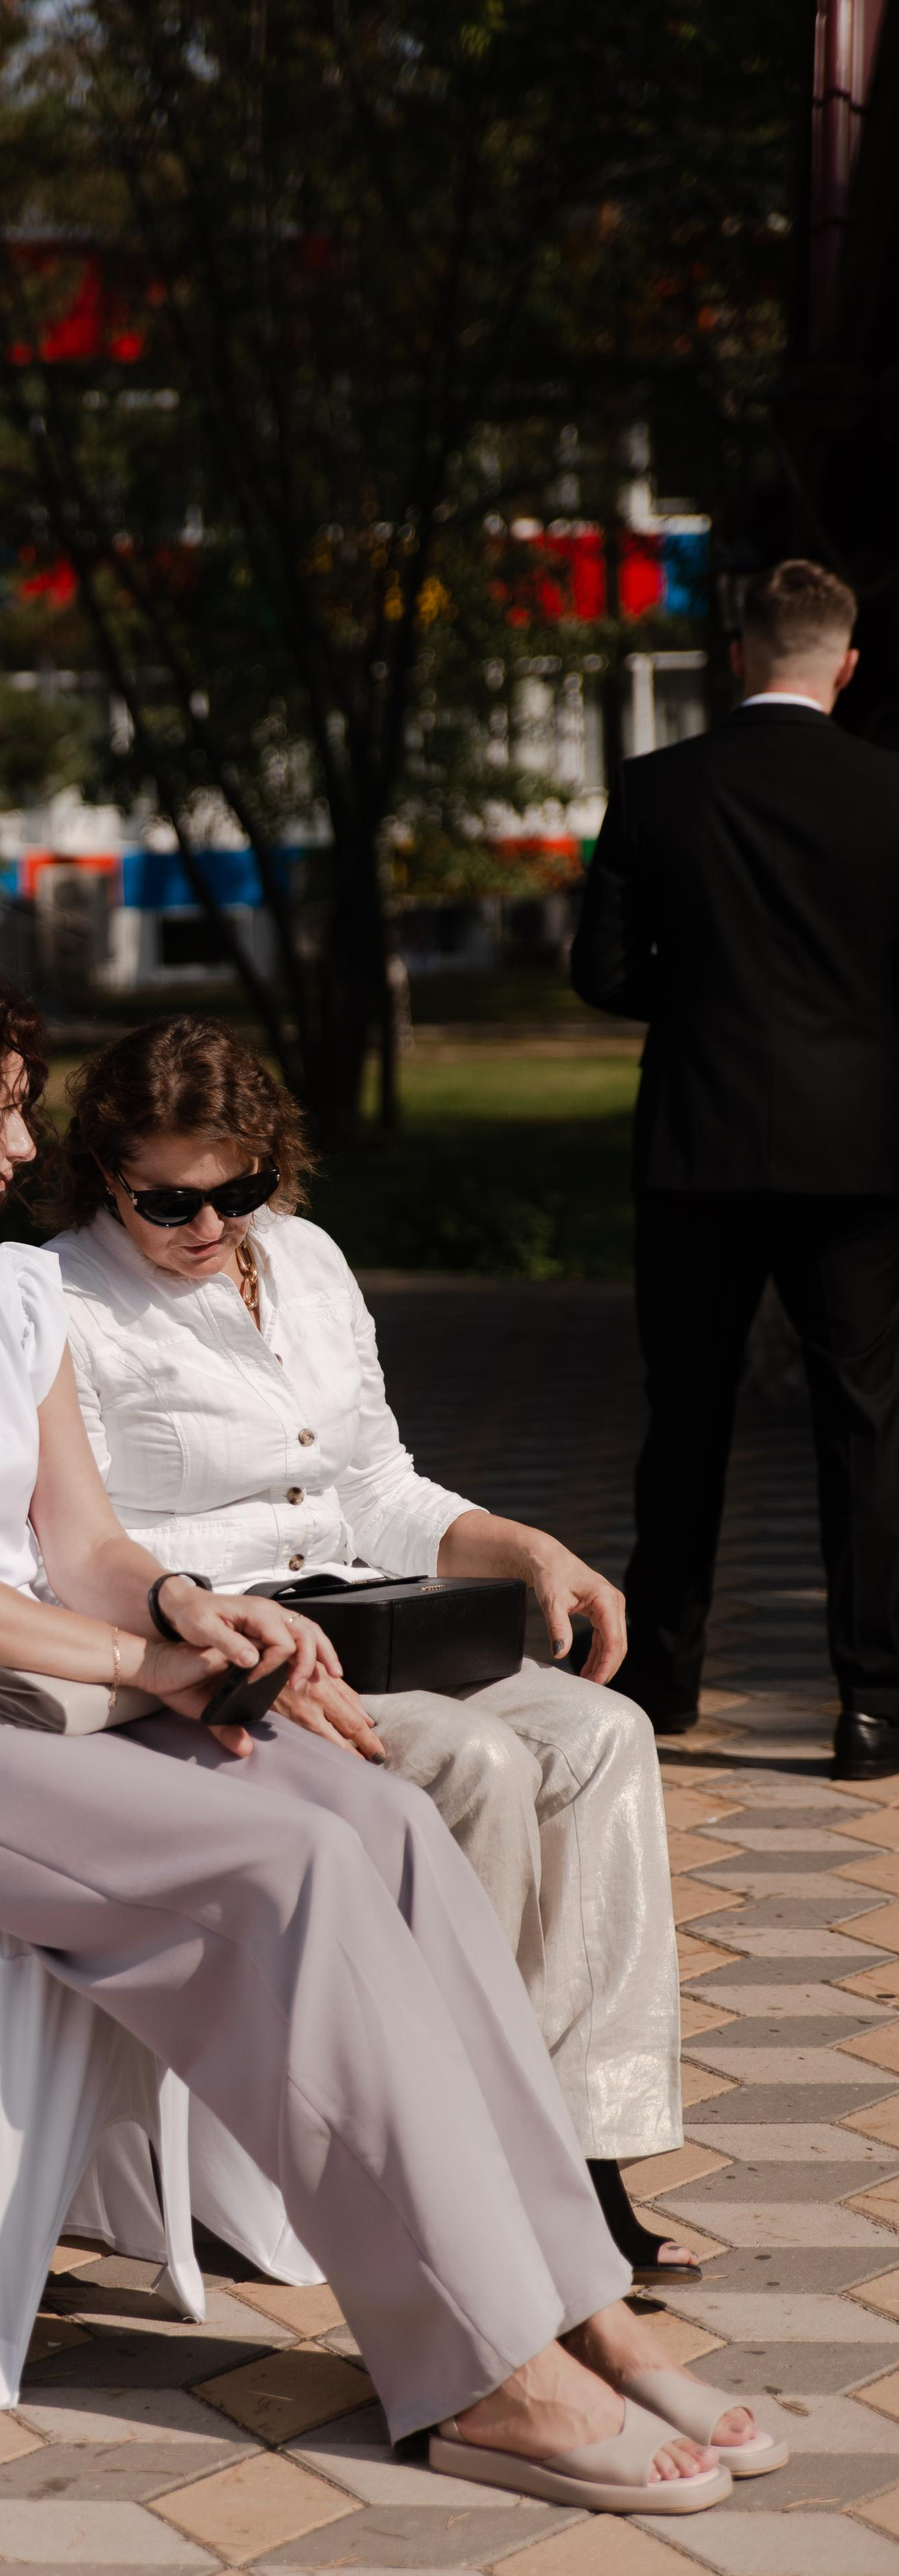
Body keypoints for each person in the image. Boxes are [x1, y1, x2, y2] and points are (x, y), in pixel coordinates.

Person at [0, 950, 778, 2511]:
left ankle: (581, 2307)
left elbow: (90, 1539)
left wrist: (189, 1611)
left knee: (376, 1819)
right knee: (289, 1869)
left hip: (46, 1694)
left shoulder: (8, 1288)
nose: (24, 1146)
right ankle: (480, 2372)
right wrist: (138, 1656)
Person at [46, 1014, 687, 2283]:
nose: (208, 1224)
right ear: (105, 1174)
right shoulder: (64, 1299)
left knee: (605, 1732)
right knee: (475, 1761)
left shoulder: (307, 1258)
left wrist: (518, 1543)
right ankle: (459, 2155)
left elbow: (375, 1482)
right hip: (228, 1646)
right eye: (167, 1201)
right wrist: (217, 1614)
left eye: (236, 1188)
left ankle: (581, 2143)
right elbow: (87, 1543)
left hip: (380, 1612)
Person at [572, 558, 899, 1780]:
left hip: (699, 1146)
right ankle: (873, 1703)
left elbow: (601, 970)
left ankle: (663, 1681)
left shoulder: (658, 788)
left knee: (687, 1420)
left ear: (738, 655)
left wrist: (704, 1001)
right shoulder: (889, 793)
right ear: (846, 664)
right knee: (864, 1425)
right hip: (861, 1156)